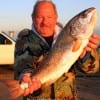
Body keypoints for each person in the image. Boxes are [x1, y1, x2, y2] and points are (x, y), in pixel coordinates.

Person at [14, 0, 100, 100]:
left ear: (56, 17)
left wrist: (85, 54)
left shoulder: (75, 38)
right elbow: (22, 65)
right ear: (32, 18)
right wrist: (26, 76)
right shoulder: (24, 39)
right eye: (39, 17)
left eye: (49, 17)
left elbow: (91, 69)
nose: (45, 22)